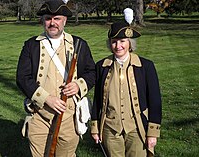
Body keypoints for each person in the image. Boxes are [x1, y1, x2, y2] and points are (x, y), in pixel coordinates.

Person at [16, 0, 95, 156]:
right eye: (48, 18)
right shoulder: (31, 46)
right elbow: (22, 78)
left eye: (57, 18)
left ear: (64, 20)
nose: (52, 23)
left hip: (69, 118)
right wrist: (46, 98)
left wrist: (79, 85)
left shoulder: (79, 44)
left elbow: (92, 72)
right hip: (39, 115)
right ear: (43, 21)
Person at [90, 21, 162, 157]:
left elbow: (155, 100)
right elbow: (97, 100)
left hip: (136, 127)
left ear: (130, 43)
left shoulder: (146, 66)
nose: (118, 46)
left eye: (122, 41)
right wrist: (95, 127)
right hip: (110, 129)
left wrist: (152, 133)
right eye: (114, 41)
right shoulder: (102, 66)